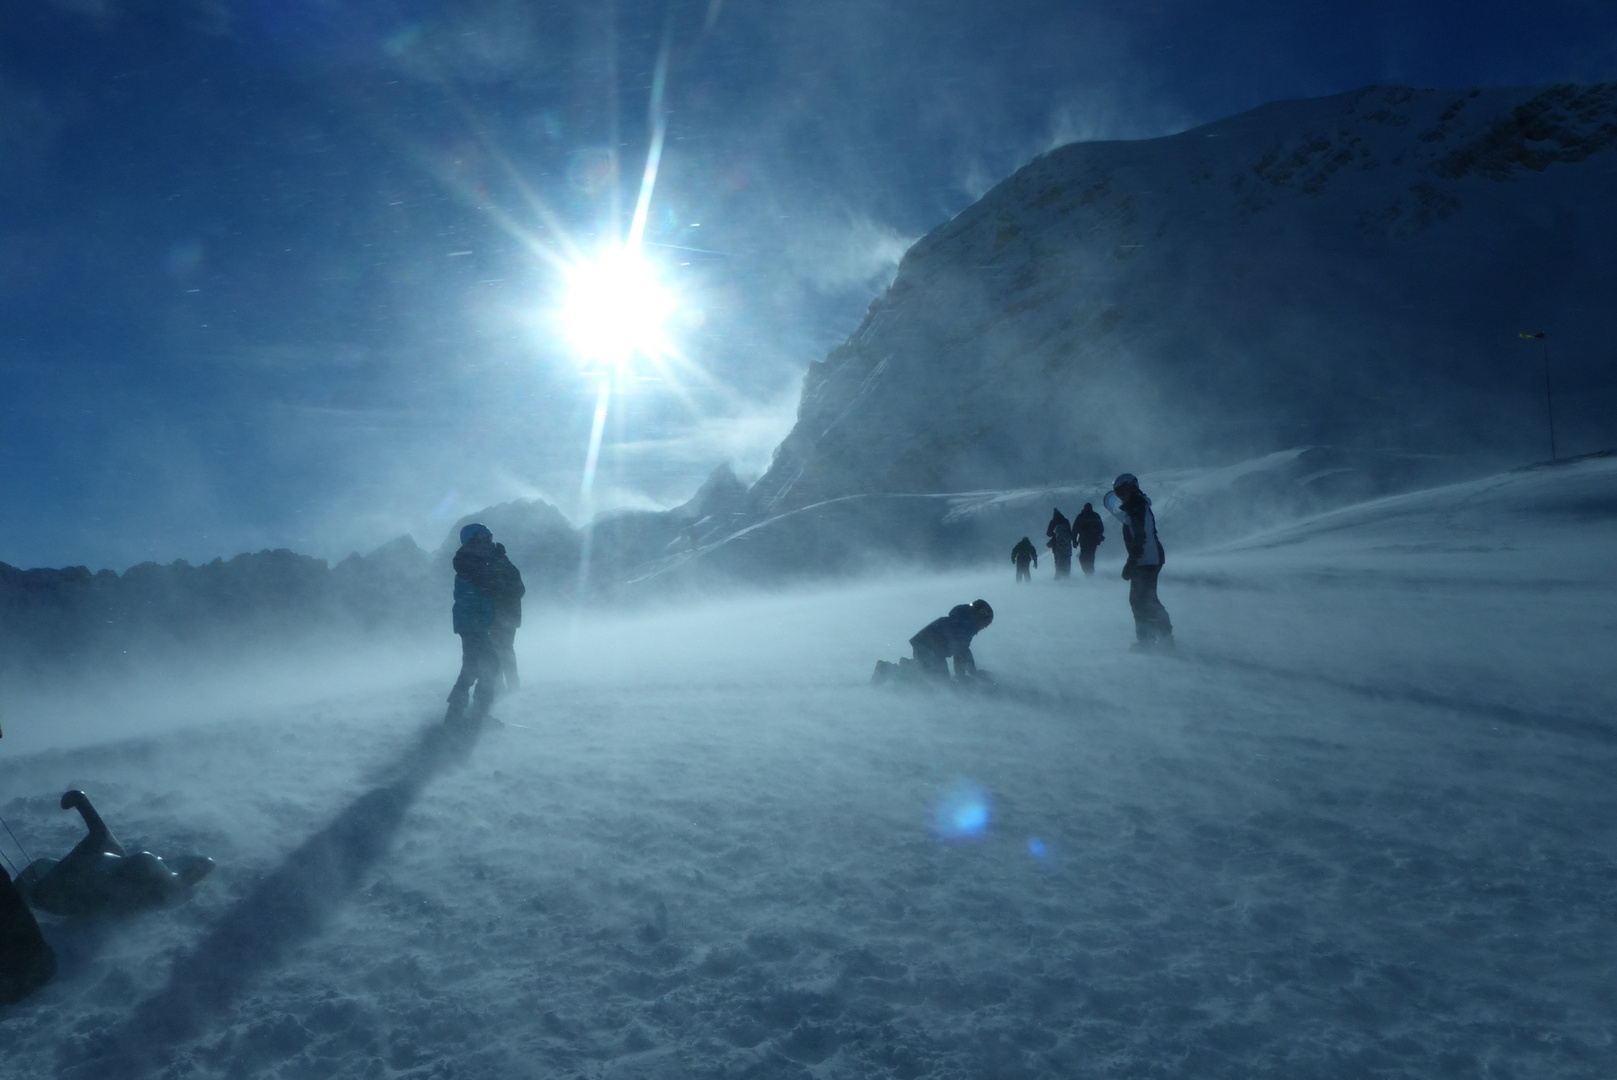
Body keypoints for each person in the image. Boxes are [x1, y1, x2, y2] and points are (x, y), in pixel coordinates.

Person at [13, 790, 213, 918]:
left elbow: (99, 835)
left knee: (43, 867)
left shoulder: (146, 880)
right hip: (67, 889)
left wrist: (81, 802)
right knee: (43, 866)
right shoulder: (143, 874)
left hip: (64, 892)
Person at [445, 523, 522, 725]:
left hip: (474, 620)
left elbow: (510, 585)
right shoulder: (469, 559)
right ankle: (476, 715)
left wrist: (499, 560)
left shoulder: (473, 558)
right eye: (487, 537)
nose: (490, 540)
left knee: (475, 664)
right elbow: (492, 584)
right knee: (488, 665)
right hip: (473, 621)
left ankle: (458, 711)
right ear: (475, 538)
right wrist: (498, 560)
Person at [1103, 474, 1173, 649]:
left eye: (1121, 491)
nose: (1119, 496)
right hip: (1146, 559)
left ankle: (1162, 638)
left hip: (1147, 559)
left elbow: (1140, 537)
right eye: (1117, 493)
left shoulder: (1137, 506)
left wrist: (1131, 562)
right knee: (1139, 600)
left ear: (1131, 488)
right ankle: (1149, 639)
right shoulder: (1135, 506)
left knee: (1146, 599)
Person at [873, 600, 994, 686]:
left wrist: (972, 670)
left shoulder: (964, 620)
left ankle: (904, 666)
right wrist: (962, 677)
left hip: (927, 645)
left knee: (932, 675)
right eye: (985, 624)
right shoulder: (968, 625)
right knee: (937, 679)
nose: (983, 628)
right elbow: (960, 652)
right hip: (928, 646)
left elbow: (964, 650)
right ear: (981, 616)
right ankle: (887, 669)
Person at [1074, 503, 1105, 575]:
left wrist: (1074, 540)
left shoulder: (1081, 516)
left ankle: (1087, 571)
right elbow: (1101, 528)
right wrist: (1098, 536)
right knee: (1090, 555)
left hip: (1084, 540)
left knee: (1083, 556)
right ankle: (1090, 570)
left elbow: (1075, 529)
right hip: (1093, 540)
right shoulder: (1095, 515)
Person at [1045, 508, 1075, 579]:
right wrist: (1073, 541)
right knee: (1067, 558)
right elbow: (1069, 532)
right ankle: (1067, 575)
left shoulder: (1053, 522)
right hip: (1066, 543)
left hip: (1056, 543)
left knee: (1057, 559)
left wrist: (1055, 534)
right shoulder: (1066, 521)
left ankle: (1058, 576)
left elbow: (1048, 533)